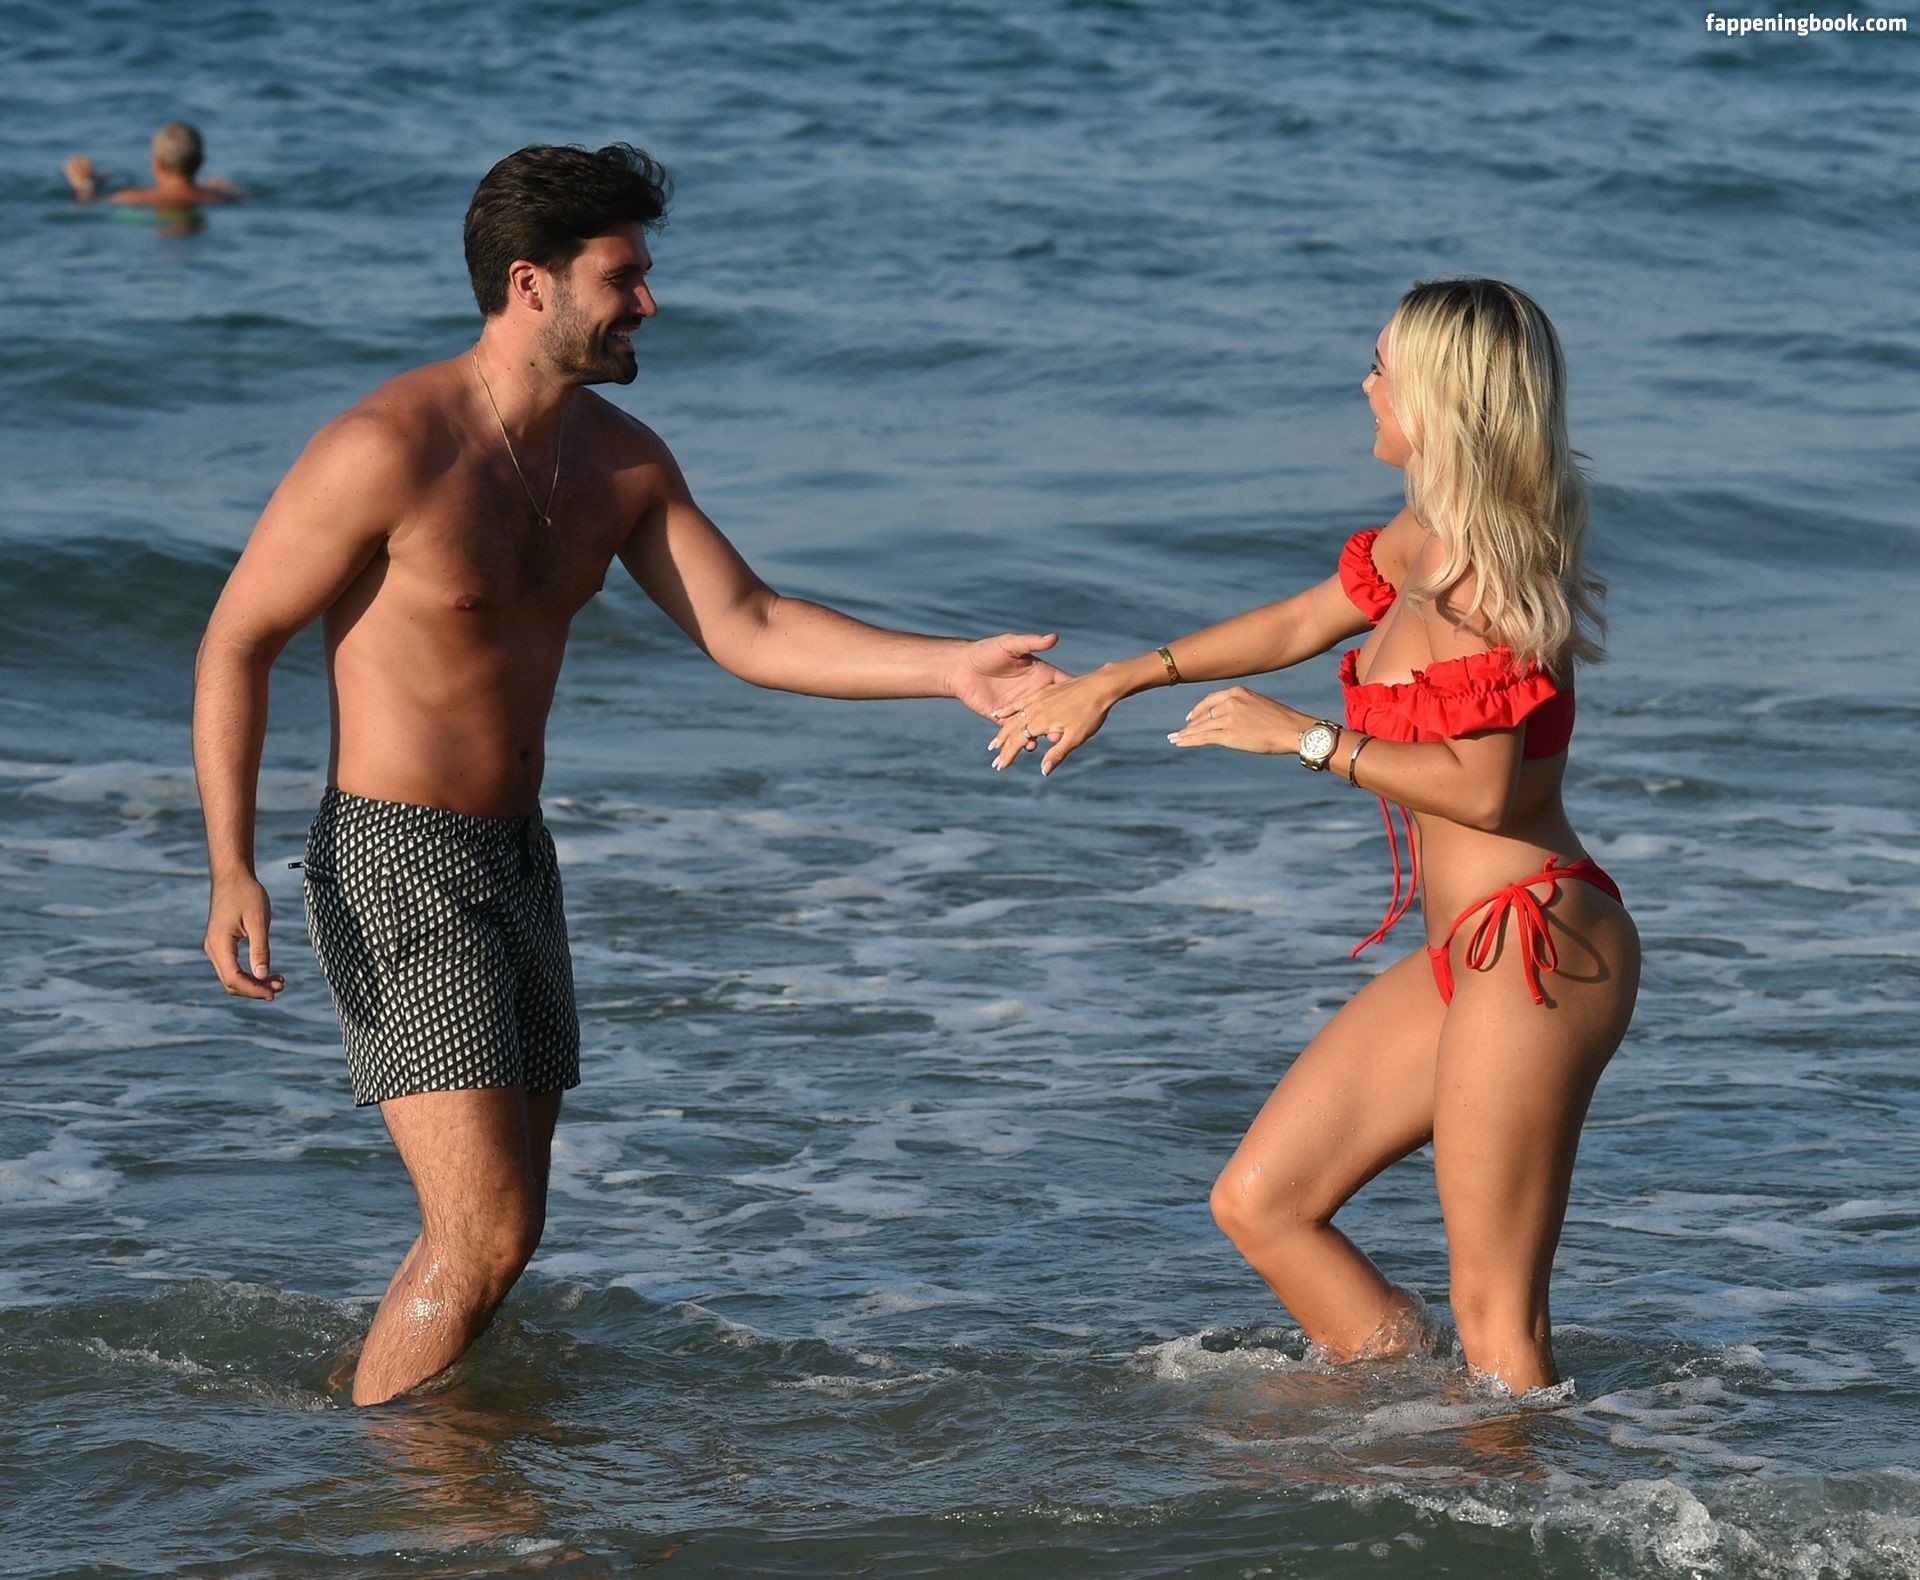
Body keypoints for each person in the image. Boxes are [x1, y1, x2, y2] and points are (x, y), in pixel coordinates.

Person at [192, 142, 1066, 1407]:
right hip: (394, 855)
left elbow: (749, 623)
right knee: (485, 1231)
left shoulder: (622, 462)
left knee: (502, 1228)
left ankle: (361, 1415)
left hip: (517, 855)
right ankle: (396, 1484)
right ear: (532, 284)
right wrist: (229, 863)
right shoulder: (387, 448)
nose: (649, 301)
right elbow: (236, 640)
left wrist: (949, 669)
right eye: (623, 277)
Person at [990, 279, 1639, 1394]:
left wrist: (1304, 738)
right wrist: (1116, 678)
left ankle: (1517, 1485)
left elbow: (1485, 794)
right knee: (1263, 1202)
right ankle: (1412, 1428)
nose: (1364, 384)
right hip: (1465, 953)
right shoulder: (1421, 540)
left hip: (1535, 945)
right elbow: (1299, 620)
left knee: (1498, 1318)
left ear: (1438, 395)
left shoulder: (1485, 575)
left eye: (1382, 366)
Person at [63, 121, 243, 208]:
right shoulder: (226, 198)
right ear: (200, 162)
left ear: (157, 163)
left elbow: (89, 208)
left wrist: (86, 187)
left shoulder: (130, 199)